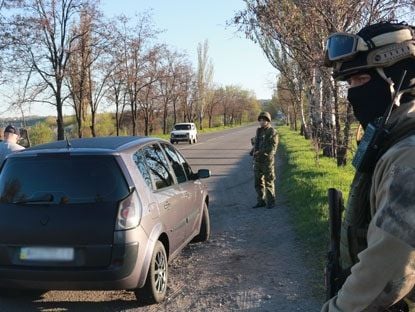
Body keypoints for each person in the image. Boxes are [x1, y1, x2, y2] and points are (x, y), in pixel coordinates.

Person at [322, 21, 415, 311]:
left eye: (361, 80)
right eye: (349, 83)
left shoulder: (407, 156)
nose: (352, 94)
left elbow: (388, 269)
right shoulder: (393, 138)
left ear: (398, 78)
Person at [252, 111, 278, 209]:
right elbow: (257, 143)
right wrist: (254, 151)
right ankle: (261, 201)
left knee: (269, 181)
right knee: (257, 182)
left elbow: (273, 148)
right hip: (258, 160)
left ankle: (271, 202)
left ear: (268, 121)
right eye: (261, 120)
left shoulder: (272, 132)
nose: (262, 122)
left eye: (264, 120)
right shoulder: (259, 131)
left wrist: (261, 152)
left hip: (267, 161)